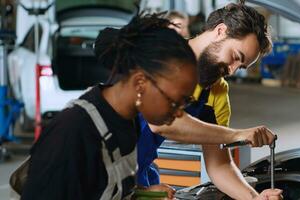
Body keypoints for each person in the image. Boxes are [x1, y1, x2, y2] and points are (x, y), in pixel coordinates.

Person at [20, 12, 198, 200]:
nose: (178, 112)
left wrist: (142, 194)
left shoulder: (127, 121)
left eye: (185, 102)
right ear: (140, 83)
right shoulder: (74, 132)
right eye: (174, 101)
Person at [137, 2, 283, 200]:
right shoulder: (161, 52)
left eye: (240, 67)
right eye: (234, 57)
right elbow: (160, 123)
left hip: (138, 173)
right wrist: (237, 135)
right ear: (221, 31)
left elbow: (219, 165)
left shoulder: (217, 91)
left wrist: (254, 198)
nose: (231, 70)